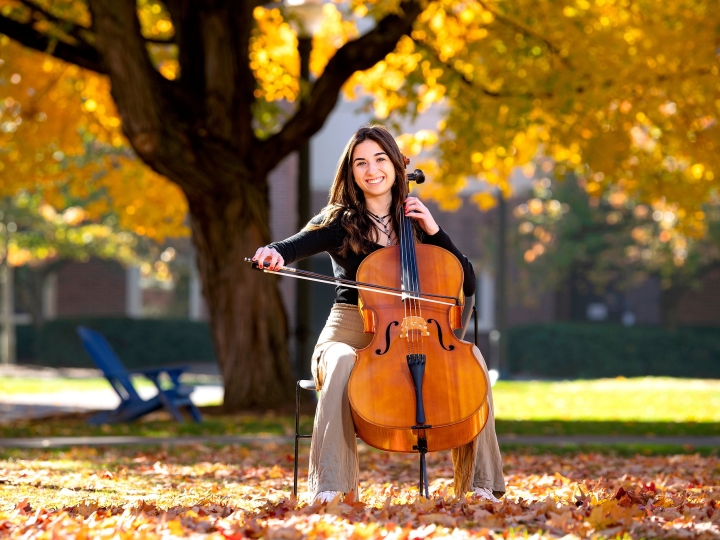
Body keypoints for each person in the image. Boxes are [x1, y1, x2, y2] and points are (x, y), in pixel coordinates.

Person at [253, 125, 505, 504]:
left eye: (380, 159)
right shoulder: (340, 220)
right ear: (351, 172)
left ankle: (482, 486)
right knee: (339, 361)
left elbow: (466, 282)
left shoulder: (418, 223)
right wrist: (273, 253)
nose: (372, 170)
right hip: (348, 330)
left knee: (473, 362)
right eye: (361, 163)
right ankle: (332, 488)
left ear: (395, 166)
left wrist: (435, 231)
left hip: (412, 331)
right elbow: (293, 246)